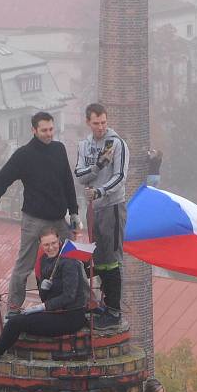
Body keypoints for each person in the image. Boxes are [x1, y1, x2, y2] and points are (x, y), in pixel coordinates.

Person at [0, 111, 79, 317]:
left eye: (51, 129)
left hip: (59, 219)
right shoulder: (24, 155)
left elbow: (68, 182)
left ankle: (83, 303)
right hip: (34, 219)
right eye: (44, 130)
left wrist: (75, 212)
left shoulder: (59, 149)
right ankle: (14, 310)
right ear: (34, 130)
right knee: (23, 266)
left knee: (73, 259)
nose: (49, 134)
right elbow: (2, 178)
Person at [0, 228, 88, 369]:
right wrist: (44, 289)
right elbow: (45, 297)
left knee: (15, 323)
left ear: (59, 241)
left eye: (54, 243)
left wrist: (41, 307)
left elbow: (69, 296)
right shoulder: (44, 260)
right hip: (54, 312)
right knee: (18, 319)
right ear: (40, 244)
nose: (51, 248)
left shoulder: (69, 262)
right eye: (46, 245)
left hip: (71, 316)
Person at [74, 103, 129, 329]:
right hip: (92, 210)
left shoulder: (117, 144)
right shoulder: (84, 145)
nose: (100, 127)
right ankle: (106, 306)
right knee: (101, 258)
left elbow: (120, 177)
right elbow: (79, 174)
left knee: (112, 256)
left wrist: (100, 190)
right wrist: (97, 167)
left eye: (103, 122)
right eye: (96, 123)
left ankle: (115, 311)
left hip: (112, 207)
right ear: (88, 122)